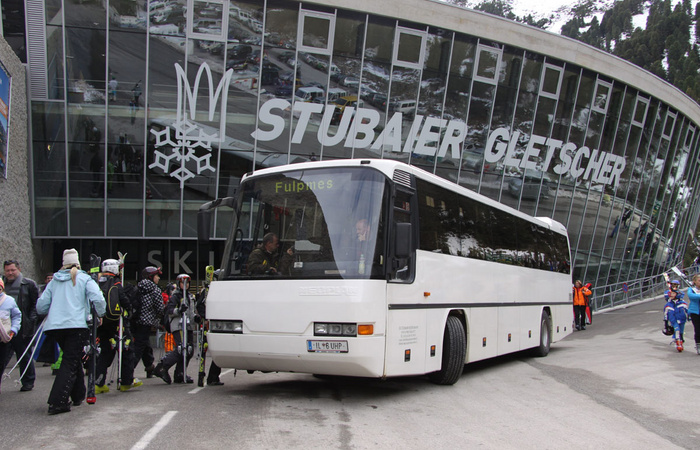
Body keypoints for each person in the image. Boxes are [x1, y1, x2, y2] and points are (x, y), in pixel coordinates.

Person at [36, 249, 106, 415]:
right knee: (70, 361)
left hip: (55, 326)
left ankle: (77, 395)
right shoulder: (83, 278)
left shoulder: (53, 281)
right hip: (76, 325)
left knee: (72, 358)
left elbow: (41, 306)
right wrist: (100, 314)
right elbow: (98, 298)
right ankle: (57, 401)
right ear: (78, 262)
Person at [94, 258, 142, 394]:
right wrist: (129, 310)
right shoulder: (116, 283)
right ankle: (126, 381)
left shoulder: (97, 281)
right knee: (127, 350)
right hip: (117, 324)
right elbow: (124, 301)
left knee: (105, 352)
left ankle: (98, 383)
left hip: (102, 323)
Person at [2, 259, 39, 391]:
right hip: (5, 327)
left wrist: (31, 320)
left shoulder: (29, 284)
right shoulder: (2, 283)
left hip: (23, 326)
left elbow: (36, 304)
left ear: (19, 269)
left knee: (24, 355)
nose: (10, 273)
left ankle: (28, 381)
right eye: (7, 270)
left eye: (13, 270)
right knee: (2, 356)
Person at [153, 274, 197, 384]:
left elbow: (192, 312)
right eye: (183, 283)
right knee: (181, 348)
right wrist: (179, 310)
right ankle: (162, 367)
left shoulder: (190, 296)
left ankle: (180, 373)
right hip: (178, 325)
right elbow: (170, 311)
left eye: (187, 283)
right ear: (178, 284)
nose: (185, 285)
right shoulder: (175, 296)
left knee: (189, 350)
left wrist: (196, 317)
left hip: (188, 325)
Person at [132, 266, 163, 379]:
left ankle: (150, 367)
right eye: (157, 276)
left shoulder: (139, 286)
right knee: (139, 347)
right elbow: (160, 308)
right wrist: (159, 320)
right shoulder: (155, 289)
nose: (158, 278)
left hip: (136, 321)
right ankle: (127, 372)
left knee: (145, 345)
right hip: (147, 322)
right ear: (151, 277)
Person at [0, 278, 22, 394]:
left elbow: (16, 316)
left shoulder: (9, 300)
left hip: (4, 338)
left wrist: (14, 329)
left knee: (1, 363)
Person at [664, 283, 688, 352]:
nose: (671, 295)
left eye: (673, 293)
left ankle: (681, 340)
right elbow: (666, 313)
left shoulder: (682, 303)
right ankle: (678, 343)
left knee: (681, 331)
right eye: (671, 293)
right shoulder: (668, 304)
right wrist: (666, 323)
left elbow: (687, 310)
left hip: (682, 319)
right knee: (677, 329)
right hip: (673, 320)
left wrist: (689, 316)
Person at [685, 274, 700, 355]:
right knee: (698, 330)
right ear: (695, 282)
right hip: (695, 312)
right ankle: (698, 345)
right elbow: (691, 296)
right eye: (699, 281)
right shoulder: (692, 289)